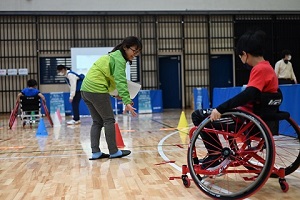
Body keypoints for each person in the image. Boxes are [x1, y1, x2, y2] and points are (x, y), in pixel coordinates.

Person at [191, 30, 279, 169]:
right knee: (207, 114)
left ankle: (215, 155)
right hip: (253, 119)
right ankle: (216, 155)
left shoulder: (259, 69)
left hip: (243, 121)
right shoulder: (269, 68)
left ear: (245, 54)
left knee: (198, 115)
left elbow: (248, 94)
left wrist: (221, 108)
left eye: (240, 56)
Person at [80, 36, 142, 160]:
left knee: (97, 122)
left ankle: (95, 152)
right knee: (109, 120)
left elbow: (108, 79)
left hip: (85, 90)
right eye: (134, 51)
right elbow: (120, 81)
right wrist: (127, 101)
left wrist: (115, 94)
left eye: (137, 52)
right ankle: (113, 151)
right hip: (97, 90)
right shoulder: (119, 59)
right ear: (125, 48)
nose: (135, 55)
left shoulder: (111, 57)